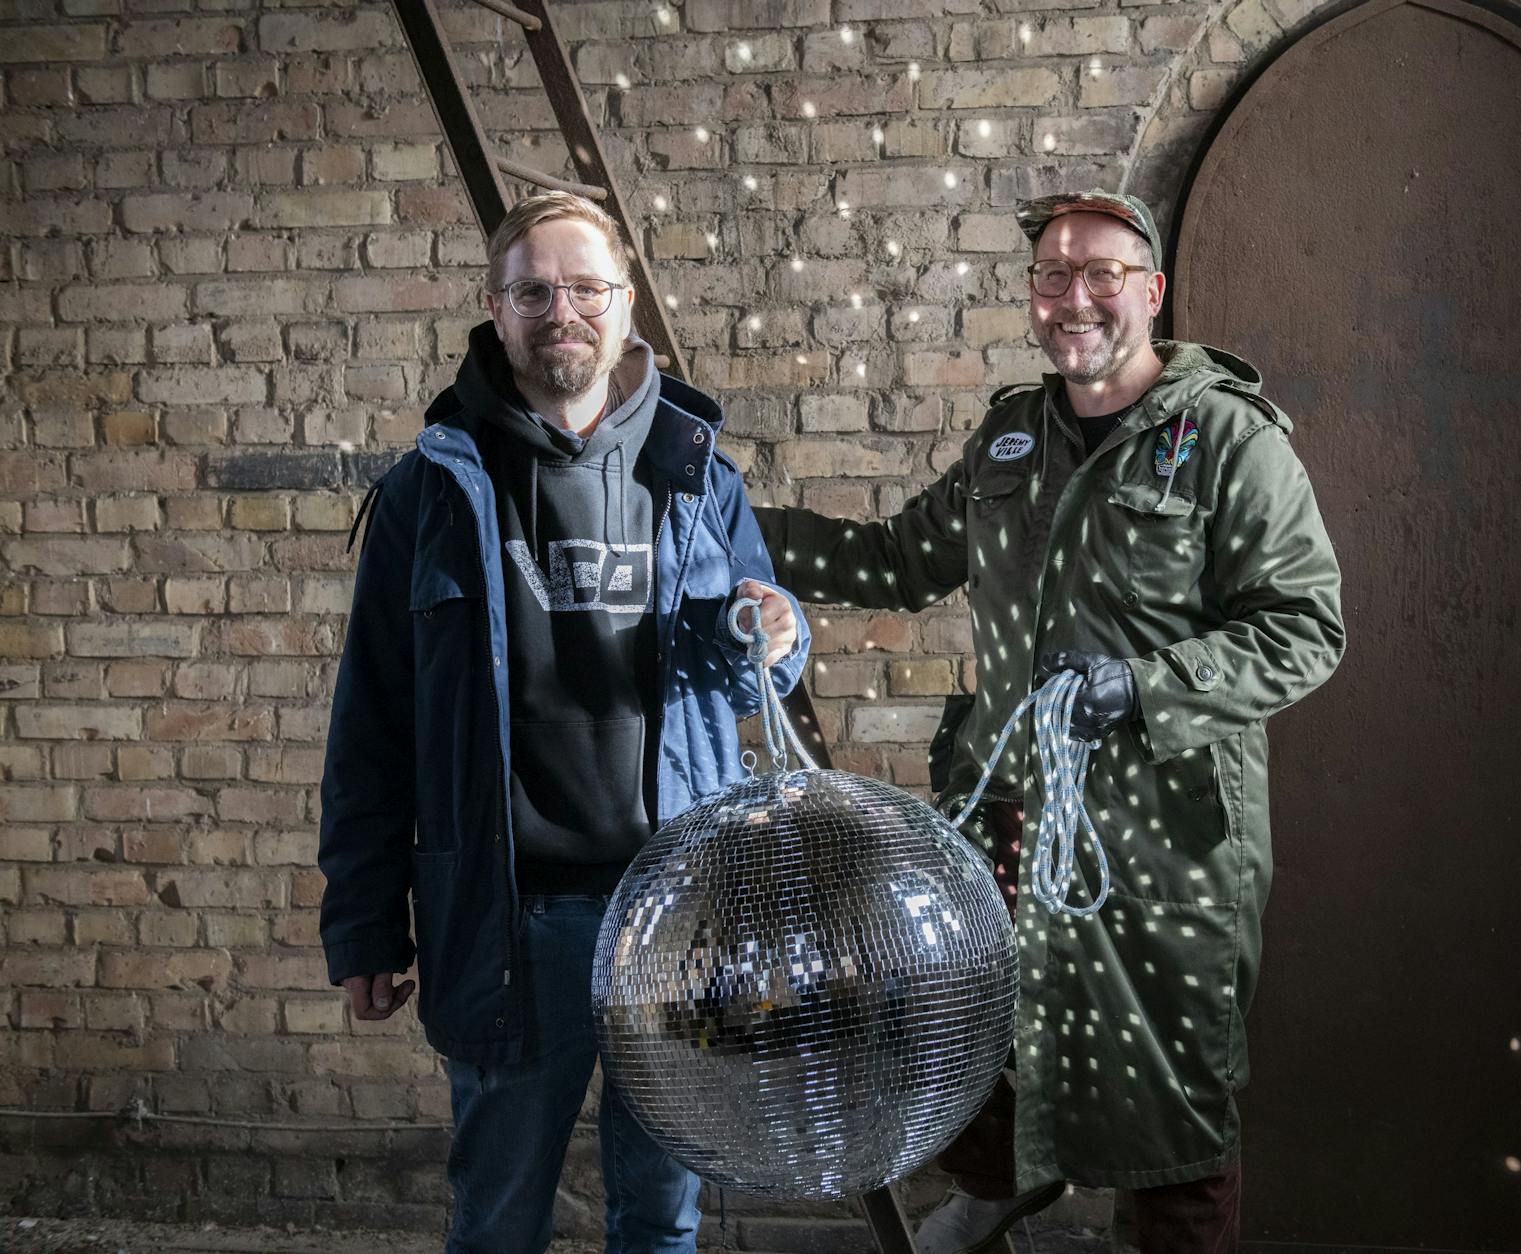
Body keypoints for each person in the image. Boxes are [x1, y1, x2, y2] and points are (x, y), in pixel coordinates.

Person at [756, 190, 1344, 1254]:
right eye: (1052, 276)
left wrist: (1141, 687)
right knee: (963, 1015)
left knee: (1170, 1089)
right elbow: (895, 563)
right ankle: (993, 1188)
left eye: (1101, 274)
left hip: (1165, 836)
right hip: (1006, 812)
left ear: (1150, 293)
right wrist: (736, 527)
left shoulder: (1223, 442)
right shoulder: (1010, 440)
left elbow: (1304, 628)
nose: (1074, 297)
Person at [317, 191, 808, 1254]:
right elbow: (372, 722)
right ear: (495, 310)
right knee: (495, 1224)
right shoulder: (430, 492)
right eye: (533, 289)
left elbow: (755, 658)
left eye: (586, 287)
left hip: (676, 919)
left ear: (626, 305)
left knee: (662, 1222)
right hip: (507, 919)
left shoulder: (696, 476)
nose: (561, 309)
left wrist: (773, 629)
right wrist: (361, 923)